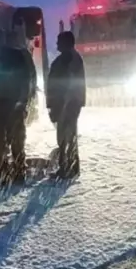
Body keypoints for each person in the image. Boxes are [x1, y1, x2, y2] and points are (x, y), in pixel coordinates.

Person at [0, 29, 36, 186]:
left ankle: (2, 172)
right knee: (16, 139)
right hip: (13, 105)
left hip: (0, 104)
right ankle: (18, 171)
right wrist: (23, 101)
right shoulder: (19, 56)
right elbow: (27, 80)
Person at [46, 31, 86, 179]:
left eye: (59, 41)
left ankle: (67, 168)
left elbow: (68, 83)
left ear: (66, 42)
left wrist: (62, 104)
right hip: (67, 102)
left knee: (65, 136)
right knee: (67, 135)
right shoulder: (70, 57)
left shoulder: (69, 58)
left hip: (66, 103)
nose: (56, 44)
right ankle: (70, 167)